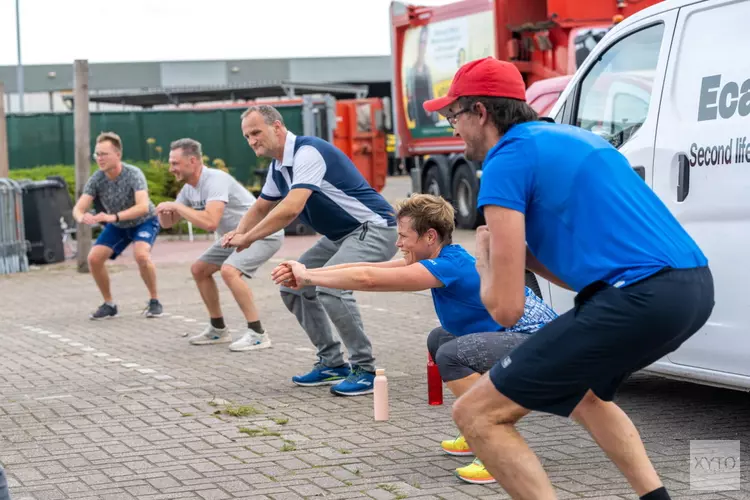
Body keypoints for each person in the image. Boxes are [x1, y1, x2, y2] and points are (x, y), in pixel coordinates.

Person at [422, 56, 714, 500]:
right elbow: (585, 274)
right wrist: (522, 256)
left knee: (477, 414)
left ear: (480, 111)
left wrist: (485, 259)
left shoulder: (506, 158)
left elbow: (505, 309)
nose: (451, 127)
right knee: (585, 395)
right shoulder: (569, 137)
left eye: (453, 115)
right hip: (691, 287)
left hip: (639, 295)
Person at [271, 193, 557, 483]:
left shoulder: (449, 266)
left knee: (451, 354)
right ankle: (476, 432)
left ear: (430, 236)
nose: (398, 244)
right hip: (522, 339)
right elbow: (366, 269)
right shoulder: (444, 257)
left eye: (403, 236)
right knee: (441, 339)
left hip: (541, 346)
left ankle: (495, 443)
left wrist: (308, 278)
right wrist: (307, 273)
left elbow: (368, 279)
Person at [222, 104, 398, 396]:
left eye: (256, 132)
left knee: (331, 288)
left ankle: (364, 369)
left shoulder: (307, 152)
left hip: (374, 228)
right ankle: (332, 364)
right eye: (246, 136)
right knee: (293, 285)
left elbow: (291, 208)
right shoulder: (278, 167)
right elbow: (262, 206)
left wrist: (249, 238)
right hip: (343, 234)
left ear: (277, 127)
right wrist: (238, 233)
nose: (252, 140)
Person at [155, 138, 283, 351]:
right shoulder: (189, 189)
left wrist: (177, 207)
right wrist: (165, 212)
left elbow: (210, 222)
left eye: (175, 163)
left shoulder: (215, 180)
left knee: (229, 271)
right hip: (233, 238)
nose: (171, 168)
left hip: (263, 234)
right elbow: (168, 224)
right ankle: (218, 329)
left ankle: (258, 334)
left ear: (193, 161)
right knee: (199, 269)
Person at [72, 132, 164, 320]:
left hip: (144, 221)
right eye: (97, 154)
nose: (100, 158)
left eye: (104, 154)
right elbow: (78, 209)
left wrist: (113, 217)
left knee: (141, 255)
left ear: (118, 155)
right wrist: (83, 217)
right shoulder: (97, 179)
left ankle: (155, 301)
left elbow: (142, 206)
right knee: (94, 259)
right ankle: (109, 304)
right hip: (118, 224)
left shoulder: (133, 174)